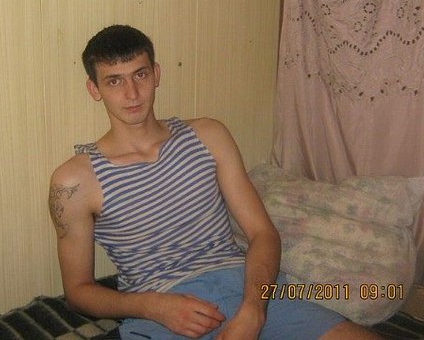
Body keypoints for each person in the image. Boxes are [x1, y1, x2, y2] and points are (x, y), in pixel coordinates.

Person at [48, 25, 381, 339]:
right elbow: (77, 292)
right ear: (95, 89)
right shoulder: (74, 182)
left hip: (243, 287)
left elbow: (262, 234)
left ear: (156, 74)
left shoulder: (208, 135)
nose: (132, 93)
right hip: (160, 310)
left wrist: (254, 309)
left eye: (140, 74)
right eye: (114, 81)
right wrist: (151, 306)